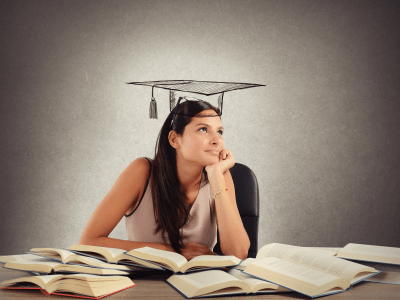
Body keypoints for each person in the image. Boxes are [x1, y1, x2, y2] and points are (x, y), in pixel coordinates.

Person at [78, 99, 250, 260]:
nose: (216, 141)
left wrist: (217, 176)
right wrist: (175, 252)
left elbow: (238, 253)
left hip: (197, 284)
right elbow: (88, 242)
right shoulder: (142, 172)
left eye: (219, 132)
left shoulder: (219, 177)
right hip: (145, 285)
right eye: (203, 129)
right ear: (175, 139)